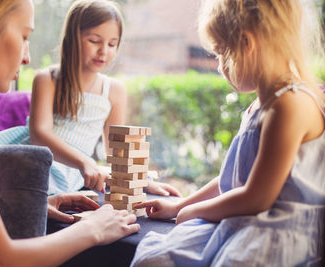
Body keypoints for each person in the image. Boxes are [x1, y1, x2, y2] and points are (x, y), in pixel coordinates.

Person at [0, 0, 140, 266]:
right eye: (25, 36)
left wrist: (46, 203)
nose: (27, 57)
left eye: (112, 43)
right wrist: (93, 229)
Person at [131, 0, 325, 266]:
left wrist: (192, 211)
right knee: (154, 259)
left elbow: (256, 197)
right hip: (246, 222)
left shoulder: (289, 105)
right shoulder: (262, 104)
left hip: (275, 236)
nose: (219, 66)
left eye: (221, 52)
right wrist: (180, 205)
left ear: (247, 43)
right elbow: (232, 180)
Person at [0, 0, 181, 197]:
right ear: (73, 38)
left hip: (75, 173)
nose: (104, 51)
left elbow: (115, 152)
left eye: (112, 44)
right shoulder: (48, 79)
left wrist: (142, 182)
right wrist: (84, 162)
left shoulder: (114, 91)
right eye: (94, 41)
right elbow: (40, 134)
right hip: (36, 158)